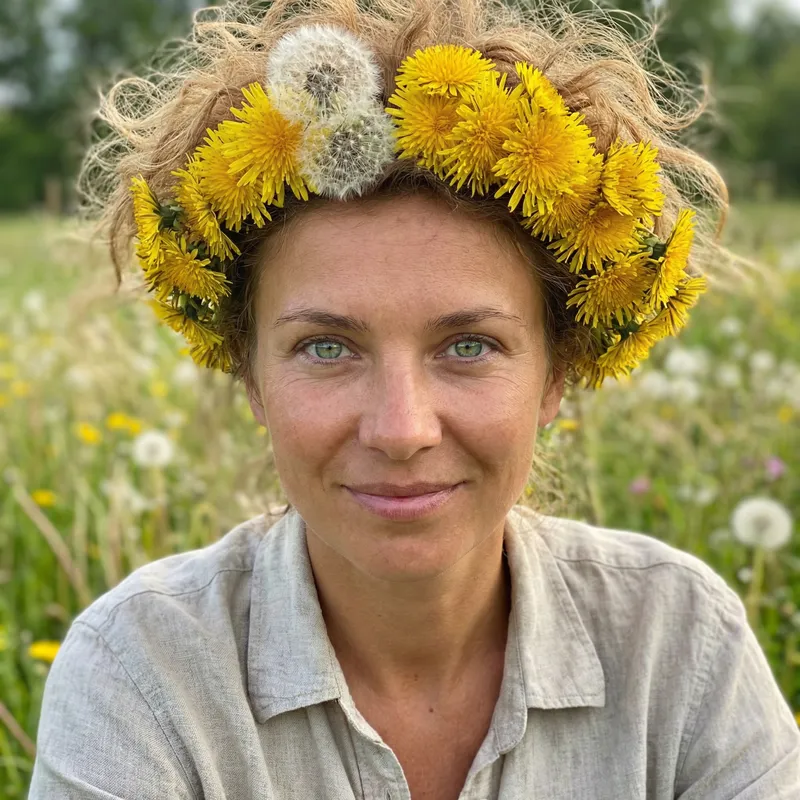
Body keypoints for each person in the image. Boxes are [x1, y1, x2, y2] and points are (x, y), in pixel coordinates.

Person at [28, 0, 799, 797]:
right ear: (248, 374)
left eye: (469, 346)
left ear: (557, 373)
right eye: (327, 348)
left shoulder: (683, 648)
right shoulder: (139, 674)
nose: (402, 429)